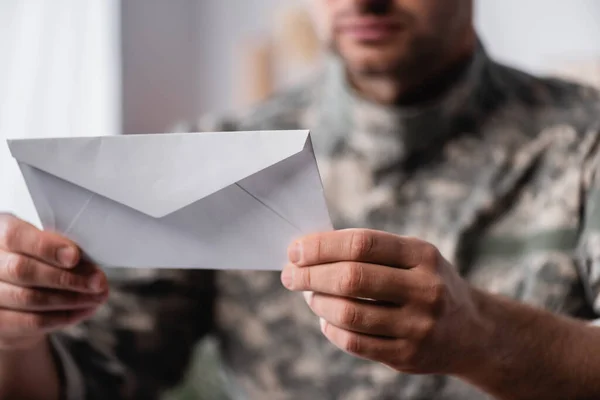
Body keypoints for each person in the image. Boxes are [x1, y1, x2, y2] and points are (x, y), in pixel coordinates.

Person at [2, 0, 600, 399]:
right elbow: (87, 376)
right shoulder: (219, 155)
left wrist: (484, 334)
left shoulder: (585, 141)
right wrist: (15, 334)